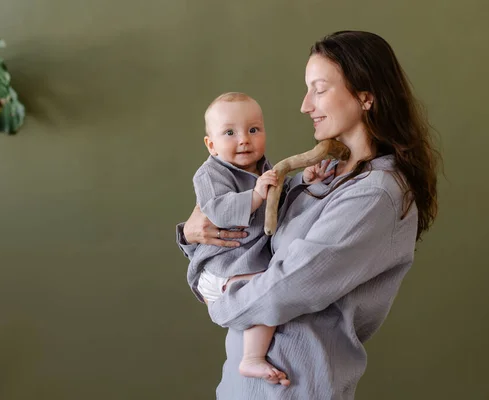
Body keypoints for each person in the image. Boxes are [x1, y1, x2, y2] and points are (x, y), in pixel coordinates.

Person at [176, 30, 439, 399]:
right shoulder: (328, 173)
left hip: (293, 387)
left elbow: (287, 285)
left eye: (319, 89)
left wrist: (220, 298)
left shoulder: (374, 194)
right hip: (246, 387)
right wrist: (191, 235)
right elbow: (255, 241)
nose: (305, 105)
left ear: (365, 97)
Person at [185, 92, 329, 386]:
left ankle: (249, 355)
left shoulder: (262, 167)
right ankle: (251, 358)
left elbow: (279, 196)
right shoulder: (209, 174)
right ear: (211, 145)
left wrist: (305, 180)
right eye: (230, 133)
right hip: (218, 266)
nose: (244, 140)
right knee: (265, 289)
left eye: (254, 130)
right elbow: (217, 211)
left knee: (267, 289)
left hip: (243, 263)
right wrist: (254, 196)